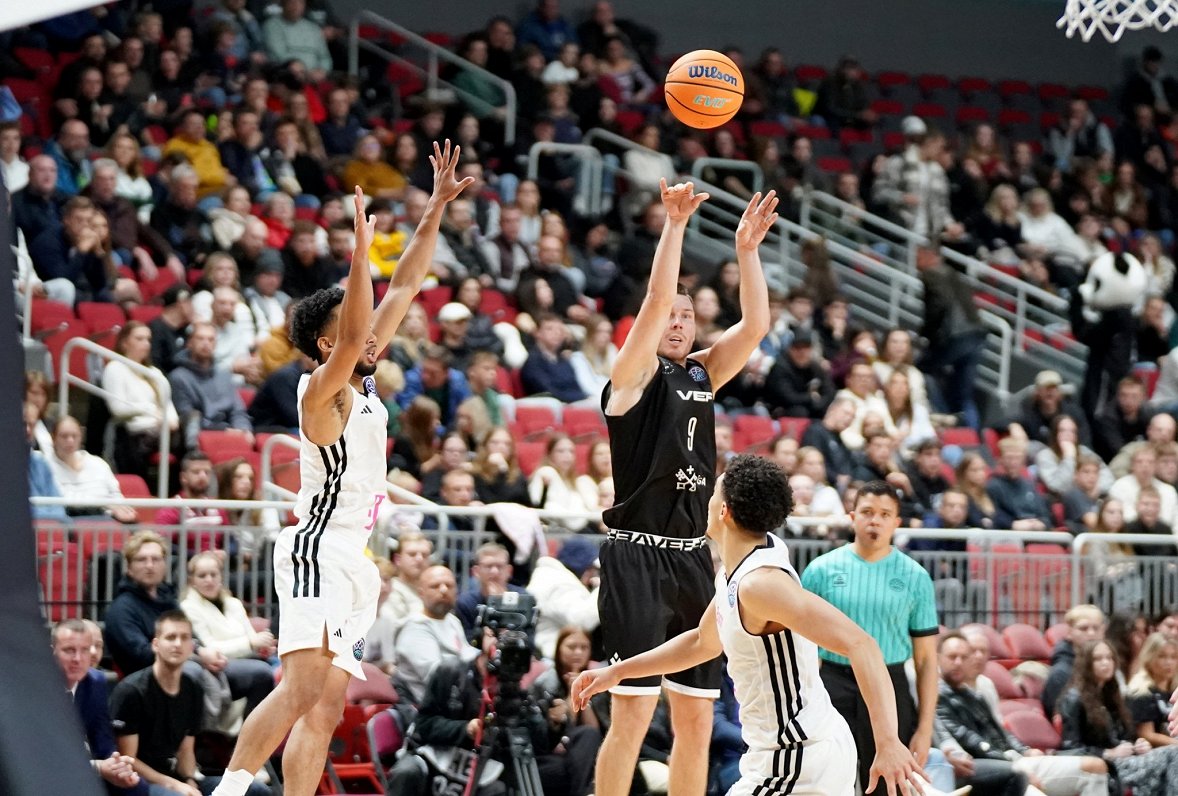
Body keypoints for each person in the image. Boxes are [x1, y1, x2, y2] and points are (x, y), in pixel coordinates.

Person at [209, 142, 474, 796]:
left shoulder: (364, 378)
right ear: (326, 343)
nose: (373, 335)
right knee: (299, 688)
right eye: (352, 328)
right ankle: (231, 789)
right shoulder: (318, 389)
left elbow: (406, 283)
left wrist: (433, 210)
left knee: (327, 706)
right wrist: (359, 255)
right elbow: (358, 332)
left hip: (356, 556)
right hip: (316, 549)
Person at [572, 455, 925, 795]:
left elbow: (861, 644)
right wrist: (618, 673)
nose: (706, 500)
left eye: (713, 494)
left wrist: (889, 742)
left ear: (723, 512)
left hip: (798, 754)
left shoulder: (761, 584)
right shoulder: (739, 568)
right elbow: (701, 642)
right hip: (788, 751)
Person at [591, 183, 774, 796]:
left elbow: (756, 324)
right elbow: (654, 298)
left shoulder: (702, 372)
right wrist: (674, 227)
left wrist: (747, 251)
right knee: (634, 715)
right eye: (671, 314)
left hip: (694, 556)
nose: (677, 320)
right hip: (635, 554)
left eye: (687, 314)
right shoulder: (631, 377)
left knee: (697, 716)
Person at [801, 480, 940, 792]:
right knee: (829, 779)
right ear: (852, 517)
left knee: (888, 783)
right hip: (834, 682)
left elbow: (927, 660)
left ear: (897, 522)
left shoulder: (916, 577)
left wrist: (926, 727)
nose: (875, 520)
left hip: (891, 684)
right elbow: (801, 648)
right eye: (867, 512)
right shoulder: (820, 571)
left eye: (884, 514)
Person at [109, 611, 272, 796]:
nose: (177, 644)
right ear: (156, 644)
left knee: (257, 791)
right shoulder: (131, 690)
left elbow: (186, 748)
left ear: (191, 646)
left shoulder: (192, 686)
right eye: (170, 637)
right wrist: (174, 785)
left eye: (184, 638)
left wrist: (189, 780)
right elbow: (128, 760)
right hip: (140, 782)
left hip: (176, 777)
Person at [936, 632, 1109, 796]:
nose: (958, 662)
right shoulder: (937, 696)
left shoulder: (974, 694)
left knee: (1098, 766)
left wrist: (1024, 751)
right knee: (1094, 768)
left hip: (1008, 758)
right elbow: (969, 740)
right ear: (938, 658)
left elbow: (1001, 731)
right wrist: (1012, 764)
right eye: (952, 657)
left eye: (964, 657)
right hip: (991, 764)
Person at [1058, 639, 1178, 794]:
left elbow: (1125, 736)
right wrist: (1108, 753)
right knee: (1173, 754)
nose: (1105, 663)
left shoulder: (1111, 695)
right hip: (1107, 765)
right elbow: (1069, 748)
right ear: (1086, 664)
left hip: (1128, 760)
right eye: (1098, 659)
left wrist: (1139, 744)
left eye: (1109, 658)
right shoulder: (1074, 698)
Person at [52, 619, 143, 795]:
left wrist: (115, 764)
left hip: (86, 769)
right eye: (69, 650)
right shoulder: (32, 688)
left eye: (85, 650)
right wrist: (99, 767)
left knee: (135, 787)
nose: (78, 659)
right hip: (45, 773)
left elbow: (103, 741)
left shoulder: (97, 682)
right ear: (52, 653)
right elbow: (44, 757)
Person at [527, 536, 601, 660]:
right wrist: (602, 589)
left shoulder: (552, 577)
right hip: (551, 660)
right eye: (590, 570)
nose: (591, 576)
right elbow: (581, 621)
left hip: (553, 656)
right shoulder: (558, 583)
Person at [1043, 604, 1107, 717]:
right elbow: (1064, 720)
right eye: (1083, 628)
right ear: (1069, 632)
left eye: (1096, 628)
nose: (1091, 634)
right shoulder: (1061, 674)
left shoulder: (1107, 663)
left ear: (1103, 631)